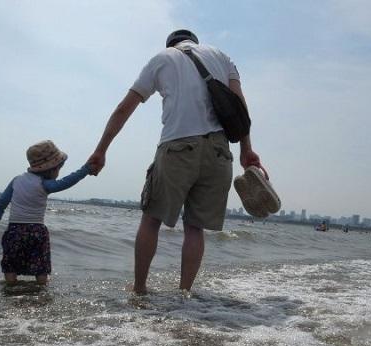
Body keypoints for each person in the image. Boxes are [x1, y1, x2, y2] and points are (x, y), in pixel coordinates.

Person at [87, 29, 262, 294]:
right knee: (195, 228)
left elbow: (125, 108)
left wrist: (101, 150)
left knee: (151, 220)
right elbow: (239, 106)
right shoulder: (222, 57)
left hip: (178, 146)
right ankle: (184, 293)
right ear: (194, 42)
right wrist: (246, 150)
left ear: (171, 43)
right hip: (219, 152)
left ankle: (140, 288)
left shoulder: (162, 58)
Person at [0, 140, 96, 285]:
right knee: (40, 265)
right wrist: (85, 170)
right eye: (59, 169)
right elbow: (66, 182)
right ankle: (41, 288)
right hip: (36, 231)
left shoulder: (16, 180)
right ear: (52, 169)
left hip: (14, 230)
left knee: (10, 263)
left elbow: (3, 199)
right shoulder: (44, 184)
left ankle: (10, 285)